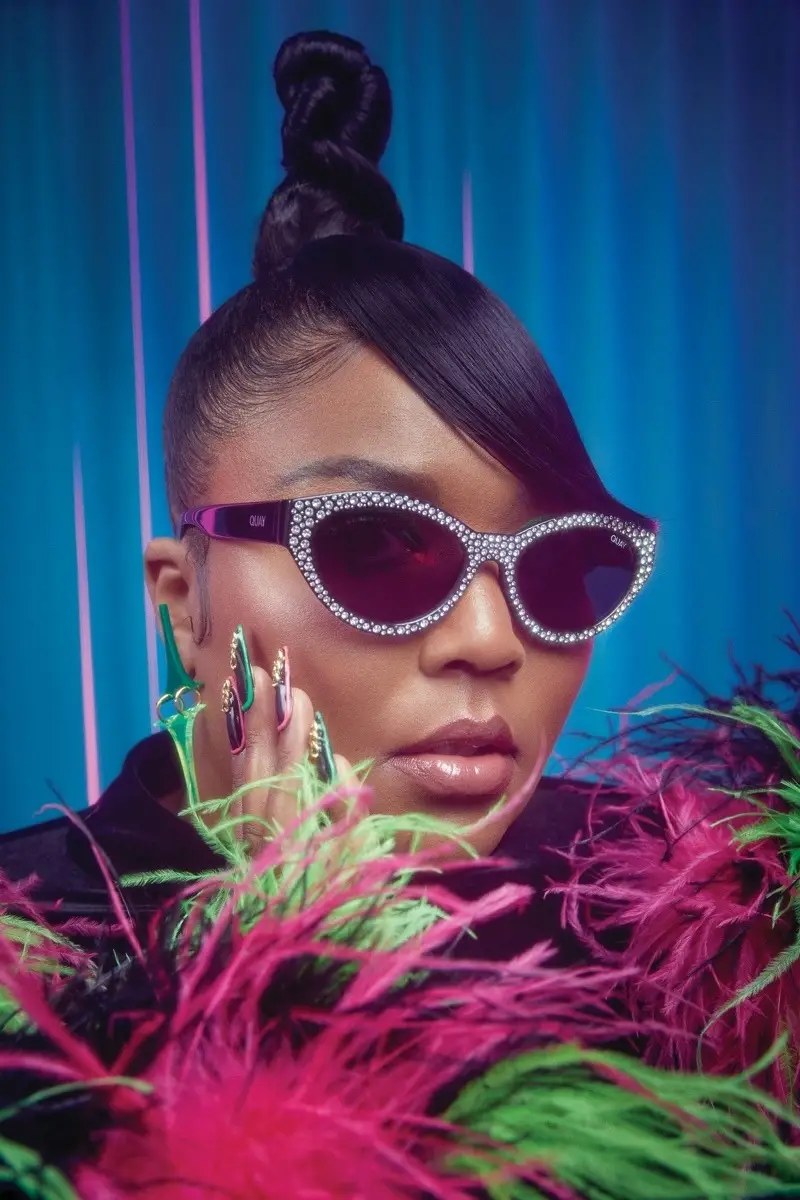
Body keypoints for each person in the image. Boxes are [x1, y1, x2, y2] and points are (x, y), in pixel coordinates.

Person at [0, 30, 656, 959]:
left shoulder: (668, 919)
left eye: (556, 566)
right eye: (377, 545)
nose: (490, 641)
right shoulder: (27, 954)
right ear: (184, 604)